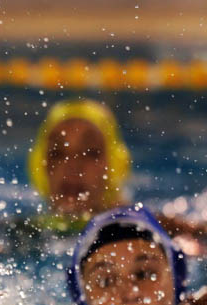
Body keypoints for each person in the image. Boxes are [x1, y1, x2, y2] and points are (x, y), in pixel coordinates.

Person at [28, 99, 207, 246]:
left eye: (91, 153)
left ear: (114, 165)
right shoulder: (25, 233)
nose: (73, 166)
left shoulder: (147, 227)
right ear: (41, 166)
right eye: (57, 153)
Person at [68, 205, 207, 305]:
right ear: (83, 300)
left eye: (145, 274)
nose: (130, 294)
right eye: (106, 281)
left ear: (176, 280)